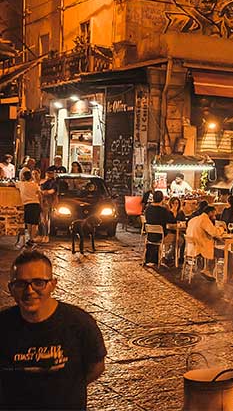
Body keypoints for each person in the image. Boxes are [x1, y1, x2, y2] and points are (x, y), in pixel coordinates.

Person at [0, 251, 106, 410]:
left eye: (38, 283)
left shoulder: (79, 323)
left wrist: (67, 390)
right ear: (11, 288)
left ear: (53, 284)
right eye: (20, 284)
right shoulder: (3, 324)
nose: (29, 291)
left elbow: (96, 366)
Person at [185, 205, 225, 276]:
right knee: (228, 254)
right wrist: (221, 229)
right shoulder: (204, 219)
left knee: (213, 249)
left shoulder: (193, 219)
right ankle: (229, 278)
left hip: (192, 248)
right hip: (201, 248)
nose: (215, 217)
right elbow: (214, 233)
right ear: (210, 213)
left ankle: (207, 269)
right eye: (214, 214)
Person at [143, 191, 175, 265]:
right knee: (179, 239)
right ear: (162, 199)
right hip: (161, 236)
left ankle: (153, 258)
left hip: (149, 235)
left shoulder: (148, 209)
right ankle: (169, 257)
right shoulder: (163, 210)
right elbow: (172, 220)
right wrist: (170, 211)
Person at [16, 171, 42, 247]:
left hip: (27, 205)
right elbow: (39, 194)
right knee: (34, 223)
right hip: (35, 204)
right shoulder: (35, 184)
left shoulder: (21, 184)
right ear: (31, 176)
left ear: (23, 177)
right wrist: (41, 204)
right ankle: (31, 238)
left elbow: (11, 184)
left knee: (28, 222)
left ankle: (30, 239)